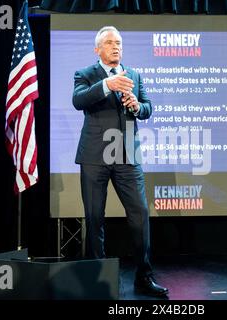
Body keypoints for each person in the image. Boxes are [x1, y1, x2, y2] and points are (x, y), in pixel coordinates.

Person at [72, 26, 168, 297]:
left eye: (119, 43)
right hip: (94, 156)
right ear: (97, 49)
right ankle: (99, 279)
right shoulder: (85, 74)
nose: (116, 47)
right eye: (110, 43)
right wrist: (107, 85)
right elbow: (78, 100)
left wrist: (137, 105)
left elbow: (148, 108)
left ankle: (144, 277)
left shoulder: (134, 75)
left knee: (140, 215)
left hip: (127, 155)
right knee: (94, 217)